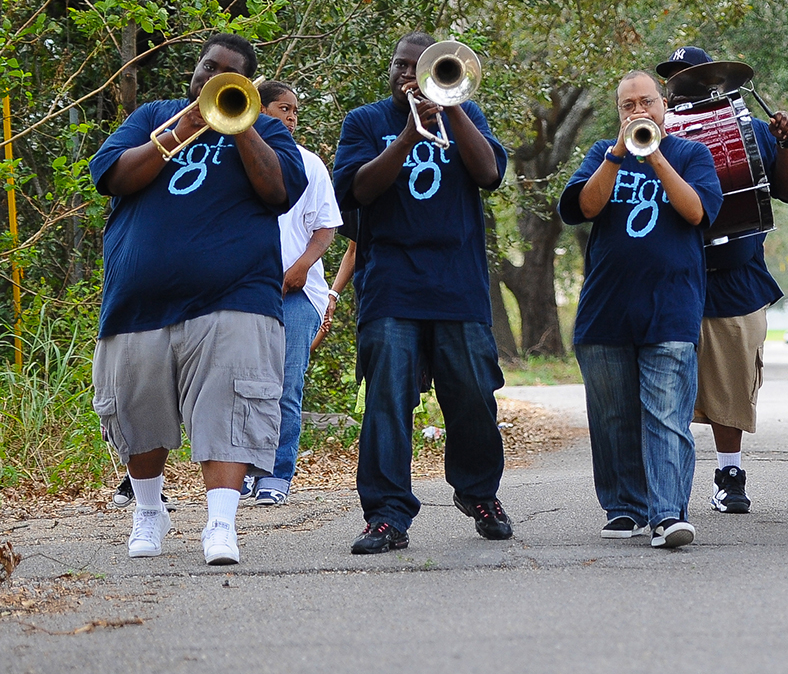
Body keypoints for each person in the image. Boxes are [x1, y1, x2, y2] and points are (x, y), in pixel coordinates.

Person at [90, 34, 307, 565]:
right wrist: (183, 129)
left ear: (245, 84)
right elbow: (112, 175)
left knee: (230, 407)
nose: (212, 78)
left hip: (236, 297)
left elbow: (279, 191)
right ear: (195, 68)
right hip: (139, 301)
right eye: (208, 67)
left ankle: (221, 523)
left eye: (227, 74)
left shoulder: (268, 129)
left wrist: (241, 124)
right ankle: (149, 512)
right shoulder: (152, 116)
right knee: (136, 409)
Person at [332, 32, 511, 554]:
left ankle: (479, 494)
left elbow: (489, 173)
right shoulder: (365, 122)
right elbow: (358, 191)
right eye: (400, 65)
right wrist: (409, 136)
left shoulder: (467, 115)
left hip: (458, 287)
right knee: (387, 402)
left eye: (420, 67)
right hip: (391, 286)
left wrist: (451, 107)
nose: (407, 75)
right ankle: (386, 516)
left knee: (474, 397)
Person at [559, 71, 724, 548]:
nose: (638, 111)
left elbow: (696, 211)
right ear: (618, 111)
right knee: (613, 419)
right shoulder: (601, 153)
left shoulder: (692, 155)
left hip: (671, 308)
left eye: (646, 102)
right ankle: (624, 507)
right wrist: (618, 153)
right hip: (605, 310)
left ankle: (668, 514)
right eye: (628, 105)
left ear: (663, 104)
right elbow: (584, 207)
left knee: (667, 417)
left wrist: (654, 155)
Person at [657, 47, 788, 515]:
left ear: (712, 80)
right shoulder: (655, 134)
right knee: (664, 385)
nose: (678, 82)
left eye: (688, 74)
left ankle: (730, 474)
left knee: (733, 384)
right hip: (672, 276)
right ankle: (662, 484)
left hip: (736, 279)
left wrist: (786, 144)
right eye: (672, 77)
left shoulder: (751, 128)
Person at [244, 82, 343, 506]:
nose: (291, 117)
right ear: (258, 110)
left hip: (298, 294)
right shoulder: (235, 158)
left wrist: (302, 267)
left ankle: (276, 474)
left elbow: (326, 227)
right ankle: (242, 471)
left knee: (285, 385)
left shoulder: (309, 163)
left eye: (295, 111)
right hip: (244, 292)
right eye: (283, 108)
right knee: (242, 385)